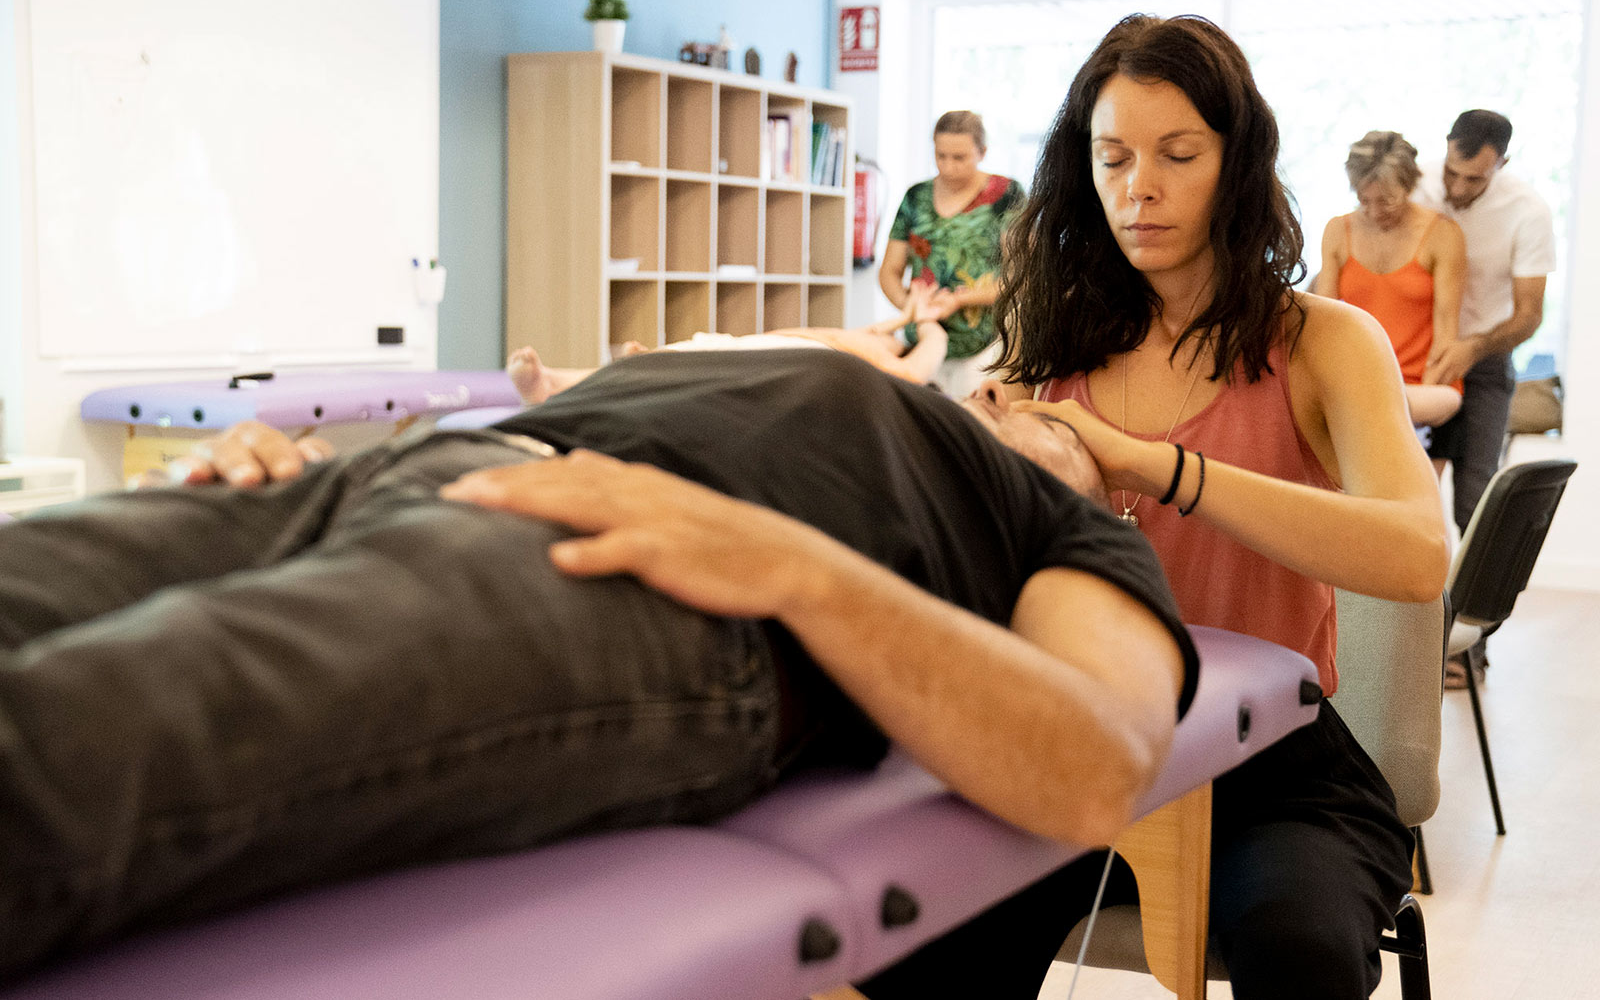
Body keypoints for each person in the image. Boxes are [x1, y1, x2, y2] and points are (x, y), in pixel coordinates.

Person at [0, 348, 1193, 980]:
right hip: (391, 476)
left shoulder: (1068, 532)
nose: (1022, 402)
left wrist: (791, 565)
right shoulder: (857, 375)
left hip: (632, 571)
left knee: (90, 731)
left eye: (1061, 424)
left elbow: (1096, 764)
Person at [859, 15, 1450, 1000]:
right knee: (907, 941)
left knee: (1299, 949)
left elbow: (1418, 553)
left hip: (1276, 768)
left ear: (1236, 164)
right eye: (1113, 158)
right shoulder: (1045, 345)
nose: (1140, 186)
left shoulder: (1323, 342)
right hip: (1082, 747)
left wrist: (1154, 466)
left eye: (1178, 154)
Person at [1413, 110, 1557, 685]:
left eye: (1473, 179)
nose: (1456, 187)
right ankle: (1400, 643)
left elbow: (1529, 315)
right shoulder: (1416, 183)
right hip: (1417, 358)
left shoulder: (1528, 211)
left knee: (1475, 507)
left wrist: (1472, 349)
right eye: (1452, 172)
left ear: (1502, 164)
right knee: (1409, 500)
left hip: (1485, 364)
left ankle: (1467, 649)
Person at [506, 283, 956, 404]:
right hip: (757, 347)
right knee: (676, 358)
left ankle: (551, 384)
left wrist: (930, 322)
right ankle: (557, 382)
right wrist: (908, 314)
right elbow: (883, 327)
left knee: (677, 366)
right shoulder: (873, 338)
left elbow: (915, 370)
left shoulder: (893, 362)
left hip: (789, 362)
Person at [1313, 130, 1467, 435]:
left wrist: (1422, 399)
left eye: (1386, 201)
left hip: (1421, 389)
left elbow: (1445, 338)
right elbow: (1323, 326)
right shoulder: (1337, 230)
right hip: (1357, 384)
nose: (1374, 212)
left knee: (1385, 405)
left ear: (1408, 187)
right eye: (1363, 200)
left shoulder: (1443, 234)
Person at [877, 110, 1026, 390]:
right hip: (921, 343)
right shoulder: (916, 197)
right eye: (940, 156)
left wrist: (961, 299)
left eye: (959, 158)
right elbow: (889, 271)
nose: (948, 167)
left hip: (983, 349)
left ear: (982, 152)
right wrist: (911, 307)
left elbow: (1020, 277)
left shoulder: (1007, 195)